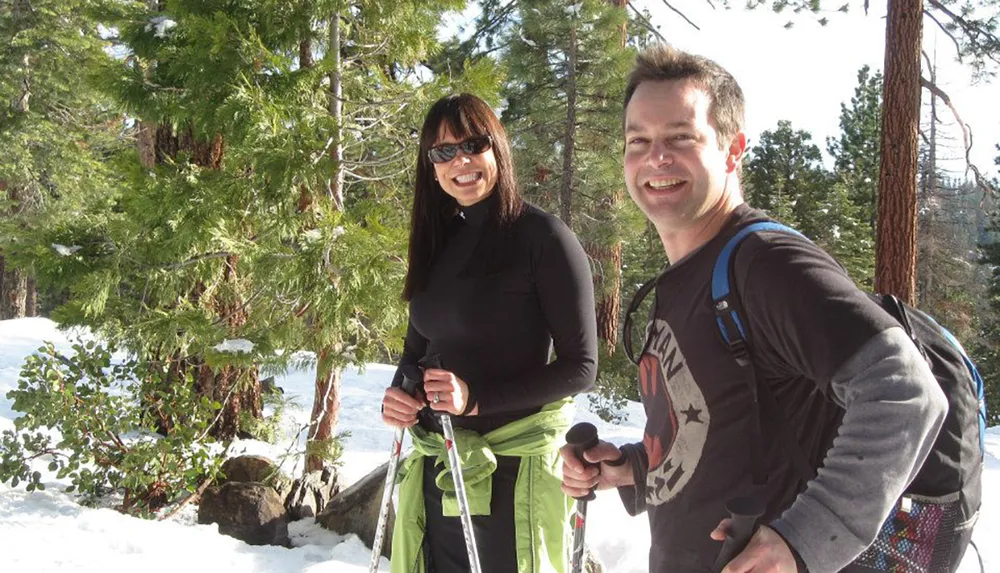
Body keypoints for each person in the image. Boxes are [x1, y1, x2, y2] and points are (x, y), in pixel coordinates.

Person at [559, 45, 948, 573]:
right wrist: (632, 467)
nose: (656, 158)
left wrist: (800, 542)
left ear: (732, 149)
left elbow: (906, 393)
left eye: (681, 137)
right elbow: (726, 427)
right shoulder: (689, 274)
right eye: (639, 141)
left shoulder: (766, 263)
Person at [381, 93, 599, 573]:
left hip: (513, 474)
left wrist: (474, 399)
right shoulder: (439, 243)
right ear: (431, 167)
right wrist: (401, 393)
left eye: (472, 145)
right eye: (443, 152)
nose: (460, 161)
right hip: (443, 465)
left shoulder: (544, 238)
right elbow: (416, 351)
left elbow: (581, 367)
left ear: (496, 148)